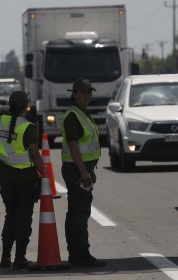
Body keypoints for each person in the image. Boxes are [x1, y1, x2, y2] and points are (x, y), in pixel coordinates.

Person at [0, 91, 43, 269]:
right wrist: (45, 175)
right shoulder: (28, 127)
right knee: (24, 218)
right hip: (25, 178)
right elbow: (35, 154)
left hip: (5, 176)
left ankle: (5, 257)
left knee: (10, 215)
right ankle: (20, 258)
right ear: (26, 107)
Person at [61, 78, 106, 268]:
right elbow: (73, 146)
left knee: (77, 212)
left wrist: (89, 170)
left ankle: (76, 253)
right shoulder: (73, 115)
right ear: (75, 94)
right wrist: (83, 171)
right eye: (83, 92)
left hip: (81, 169)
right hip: (75, 170)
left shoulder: (82, 113)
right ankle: (80, 254)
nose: (87, 96)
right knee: (79, 213)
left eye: (89, 92)